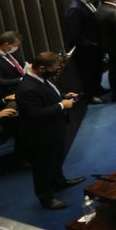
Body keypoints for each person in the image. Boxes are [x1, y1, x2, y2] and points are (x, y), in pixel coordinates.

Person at [16, 51, 83, 209]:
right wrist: (61, 105)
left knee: (57, 158)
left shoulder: (42, 78)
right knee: (43, 167)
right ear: (41, 68)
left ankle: (59, 181)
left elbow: (49, 96)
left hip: (55, 128)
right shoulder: (27, 88)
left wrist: (64, 96)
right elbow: (35, 114)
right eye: (55, 68)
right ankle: (46, 198)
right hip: (41, 135)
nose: (58, 70)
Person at [61, 0, 106, 104]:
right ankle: (90, 95)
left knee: (97, 68)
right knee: (87, 72)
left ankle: (97, 88)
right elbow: (75, 33)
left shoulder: (86, 2)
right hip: (85, 48)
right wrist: (90, 44)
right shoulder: (74, 8)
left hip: (95, 44)